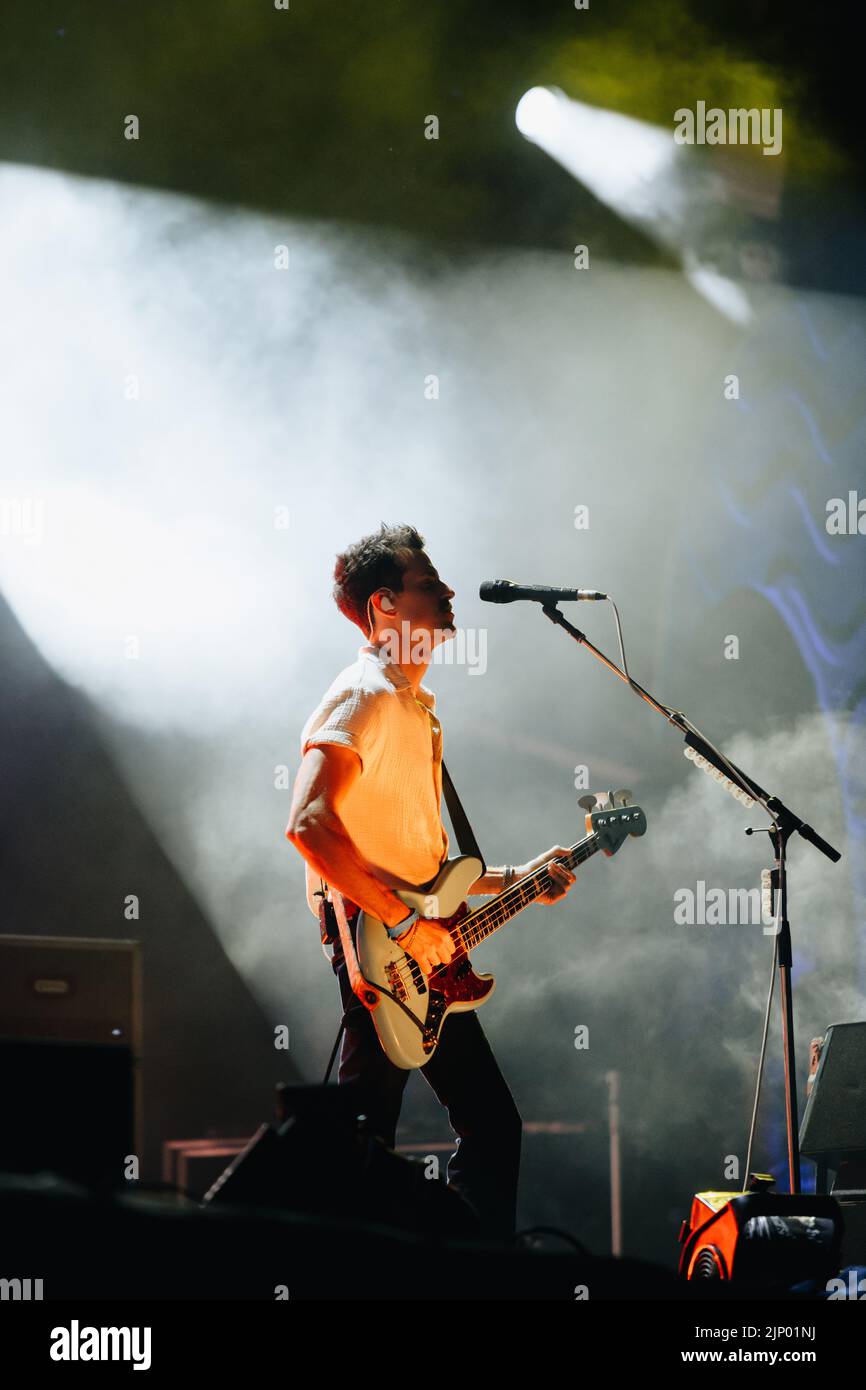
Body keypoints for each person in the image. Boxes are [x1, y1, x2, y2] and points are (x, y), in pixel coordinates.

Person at [286, 522, 577, 1242]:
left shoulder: (415, 708)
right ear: (385, 606)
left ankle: (465, 1272)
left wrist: (517, 879)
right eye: (427, 583)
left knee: (479, 1127)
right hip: (383, 947)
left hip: (419, 950)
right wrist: (409, 926)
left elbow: (427, 874)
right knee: (361, 1143)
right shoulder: (365, 694)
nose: (448, 591)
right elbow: (309, 825)